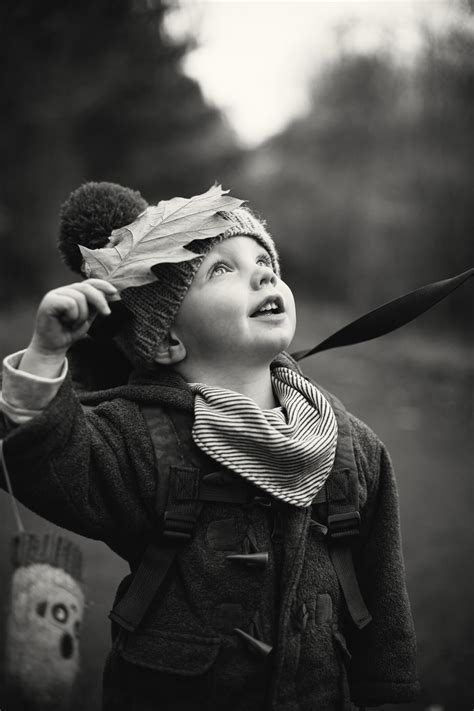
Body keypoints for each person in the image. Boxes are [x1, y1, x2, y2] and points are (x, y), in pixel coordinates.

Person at [0, 182, 420, 710]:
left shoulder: (352, 446)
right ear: (167, 339)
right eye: (221, 269)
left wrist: (391, 695)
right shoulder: (143, 435)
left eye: (265, 260)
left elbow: (382, 591)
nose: (264, 273)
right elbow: (56, 466)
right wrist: (44, 356)